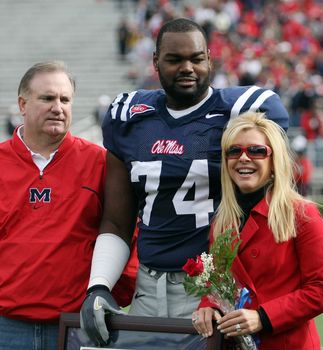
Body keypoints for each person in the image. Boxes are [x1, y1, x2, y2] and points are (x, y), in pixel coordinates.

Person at [80, 17, 289, 346]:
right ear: (156, 62)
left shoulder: (240, 112)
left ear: (210, 57)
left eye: (196, 58)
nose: (187, 68)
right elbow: (118, 220)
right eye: (174, 60)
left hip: (214, 290)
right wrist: (99, 284)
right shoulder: (129, 117)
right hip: (148, 289)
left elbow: (269, 200)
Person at [0, 61, 136, 350]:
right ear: (22, 104)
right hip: (6, 325)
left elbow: (126, 230)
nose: (57, 107)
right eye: (47, 98)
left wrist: (111, 292)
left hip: (76, 324)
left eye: (65, 99)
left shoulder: (100, 163)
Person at [191, 112, 323, 350]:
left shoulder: (302, 214)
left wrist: (263, 317)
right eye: (234, 151)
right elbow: (218, 283)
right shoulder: (222, 221)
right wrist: (207, 306)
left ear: (273, 160)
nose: (244, 158)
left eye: (257, 151)